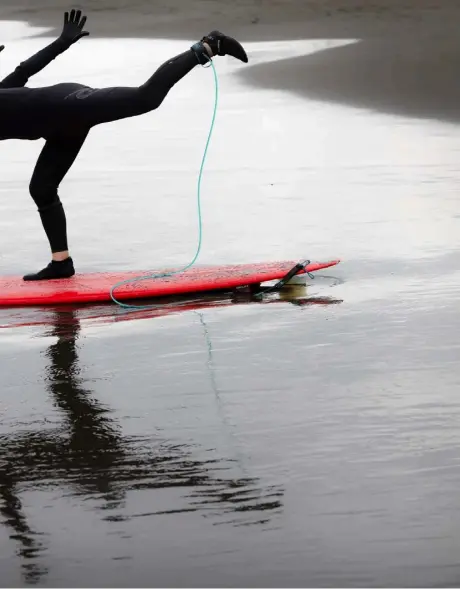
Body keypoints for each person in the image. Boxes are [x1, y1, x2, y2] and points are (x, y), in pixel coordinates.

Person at [0, 9, 248, 281]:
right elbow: (21, 73)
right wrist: (61, 42)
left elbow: (23, 72)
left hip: (69, 105)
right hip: (60, 129)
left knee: (146, 98)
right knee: (42, 189)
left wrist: (62, 43)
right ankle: (61, 263)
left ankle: (209, 46)